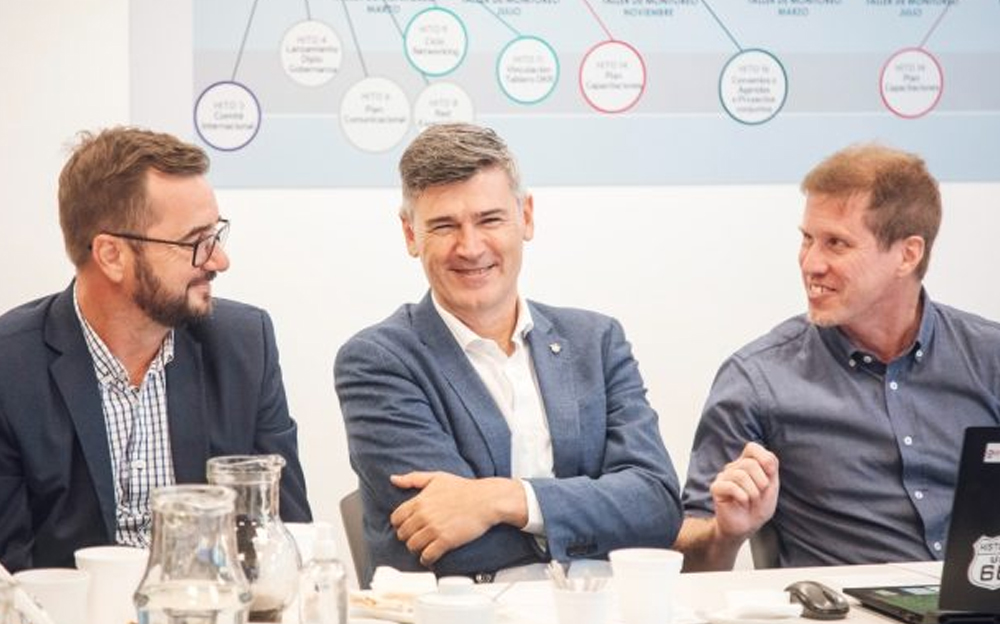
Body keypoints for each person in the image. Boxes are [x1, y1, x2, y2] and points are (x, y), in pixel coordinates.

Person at [334, 123, 682, 583]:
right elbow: (451, 545)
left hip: (597, 609)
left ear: (526, 217)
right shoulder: (379, 361)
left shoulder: (596, 342)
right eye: (444, 225)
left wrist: (500, 500)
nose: (470, 247)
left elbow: (657, 507)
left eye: (490, 220)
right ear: (410, 234)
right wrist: (598, 518)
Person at [675, 143, 1000, 571]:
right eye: (807, 239)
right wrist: (726, 532)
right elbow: (690, 564)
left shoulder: (989, 358)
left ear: (907, 254)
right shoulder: (758, 379)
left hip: (980, 596)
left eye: (837, 244)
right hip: (845, 602)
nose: (811, 264)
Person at [0, 127, 312, 571]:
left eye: (216, 235)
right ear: (111, 255)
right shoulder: (12, 366)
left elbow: (283, 536)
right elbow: (10, 576)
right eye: (195, 242)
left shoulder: (244, 346)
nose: (219, 260)